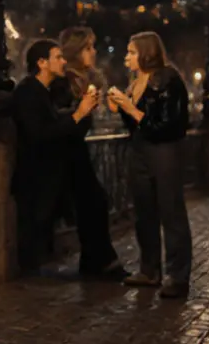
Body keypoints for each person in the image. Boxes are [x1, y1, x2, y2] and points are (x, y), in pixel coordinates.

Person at [107, 32, 193, 299]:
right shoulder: (136, 83)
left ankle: (178, 277)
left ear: (146, 53)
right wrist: (120, 106)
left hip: (164, 150)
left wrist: (130, 108)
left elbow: (168, 125)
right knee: (144, 211)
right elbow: (136, 124)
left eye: (132, 52)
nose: (126, 58)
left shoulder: (167, 79)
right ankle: (149, 269)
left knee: (171, 211)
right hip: (140, 150)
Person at [11, 39, 99, 275]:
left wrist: (81, 114)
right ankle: (26, 282)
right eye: (57, 57)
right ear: (42, 63)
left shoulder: (43, 91)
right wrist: (78, 114)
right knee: (34, 230)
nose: (63, 62)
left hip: (48, 174)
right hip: (35, 176)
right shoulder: (28, 93)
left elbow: (55, 126)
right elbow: (39, 133)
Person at [55, 27, 127, 279]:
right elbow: (62, 121)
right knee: (94, 202)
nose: (93, 52)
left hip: (77, 148)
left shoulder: (86, 81)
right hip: (65, 151)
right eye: (88, 48)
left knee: (94, 202)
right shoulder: (64, 82)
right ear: (75, 51)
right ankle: (103, 262)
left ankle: (93, 261)